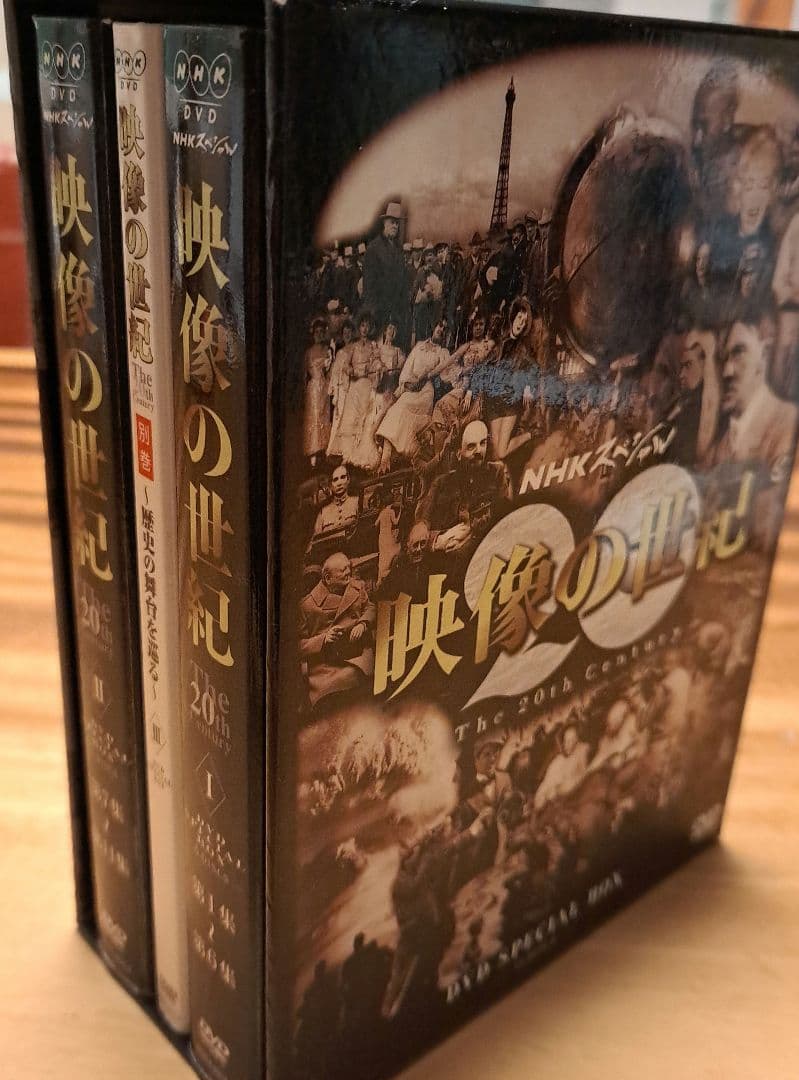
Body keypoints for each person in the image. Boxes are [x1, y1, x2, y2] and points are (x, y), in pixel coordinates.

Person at [704, 309, 797, 472]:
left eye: (738, 353)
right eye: (722, 359)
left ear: (764, 354)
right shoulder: (717, 449)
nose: (726, 371)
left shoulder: (789, 423)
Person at [416, 419, 511, 556]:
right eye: (471, 446)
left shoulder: (496, 473)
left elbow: (504, 517)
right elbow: (420, 526)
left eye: (483, 443)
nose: (479, 451)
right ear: (458, 453)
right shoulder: (441, 483)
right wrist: (439, 540)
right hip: (444, 556)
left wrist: (470, 533)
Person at [469, 296, 542, 461]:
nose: (521, 323)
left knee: (502, 452)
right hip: (494, 402)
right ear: (514, 317)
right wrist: (469, 391)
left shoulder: (524, 349)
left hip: (510, 402)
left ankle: (531, 434)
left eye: (524, 321)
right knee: (496, 453)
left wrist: (528, 387)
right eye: (519, 318)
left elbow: (535, 369)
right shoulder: (500, 342)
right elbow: (483, 367)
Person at [299, 552, 375, 709]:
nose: (348, 572)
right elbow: (297, 645)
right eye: (343, 570)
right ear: (328, 578)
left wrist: (363, 623)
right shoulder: (307, 606)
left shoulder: (356, 587)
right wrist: (323, 639)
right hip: (326, 666)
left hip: (358, 653)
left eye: (348, 567)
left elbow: (371, 607)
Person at [376, 319, 452, 470]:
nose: (441, 330)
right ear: (434, 326)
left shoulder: (442, 352)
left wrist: (433, 375)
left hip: (425, 391)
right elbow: (407, 368)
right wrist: (406, 385)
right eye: (440, 326)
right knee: (397, 408)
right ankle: (386, 457)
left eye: (445, 329)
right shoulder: (419, 346)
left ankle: (389, 457)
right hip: (411, 387)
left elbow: (445, 376)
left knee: (403, 408)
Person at [363, 201, 409, 344]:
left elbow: (402, 282)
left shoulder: (399, 249)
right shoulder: (374, 248)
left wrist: (402, 309)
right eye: (392, 222)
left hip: (396, 313)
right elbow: (369, 286)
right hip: (379, 312)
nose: (395, 226)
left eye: (397, 223)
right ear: (384, 223)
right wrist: (373, 312)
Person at [303, 317, 332, 468]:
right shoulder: (308, 352)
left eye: (322, 332)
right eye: (317, 332)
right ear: (313, 334)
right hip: (313, 388)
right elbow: (304, 374)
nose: (319, 335)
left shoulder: (328, 350)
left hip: (324, 387)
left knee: (324, 416)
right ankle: (313, 454)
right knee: (314, 417)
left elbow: (330, 370)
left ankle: (324, 450)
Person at [312, 464, 359, 539]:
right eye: (335, 479)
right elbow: (316, 539)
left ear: (348, 480)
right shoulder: (323, 511)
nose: (339, 483)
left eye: (343, 477)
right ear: (330, 485)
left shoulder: (357, 502)